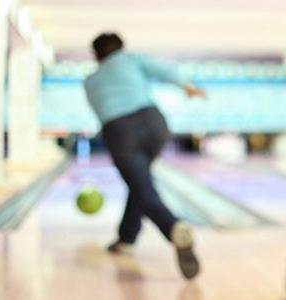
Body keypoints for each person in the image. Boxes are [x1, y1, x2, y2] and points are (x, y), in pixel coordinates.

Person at [84, 32, 205, 280]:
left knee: (141, 185)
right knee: (140, 184)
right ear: (121, 47)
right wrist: (188, 87)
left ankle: (173, 226)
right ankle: (126, 239)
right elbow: (167, 72)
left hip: (119, 131)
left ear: (95, 55)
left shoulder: (90, 81)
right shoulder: (130, 59)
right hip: (155, 124)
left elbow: (100, 111)